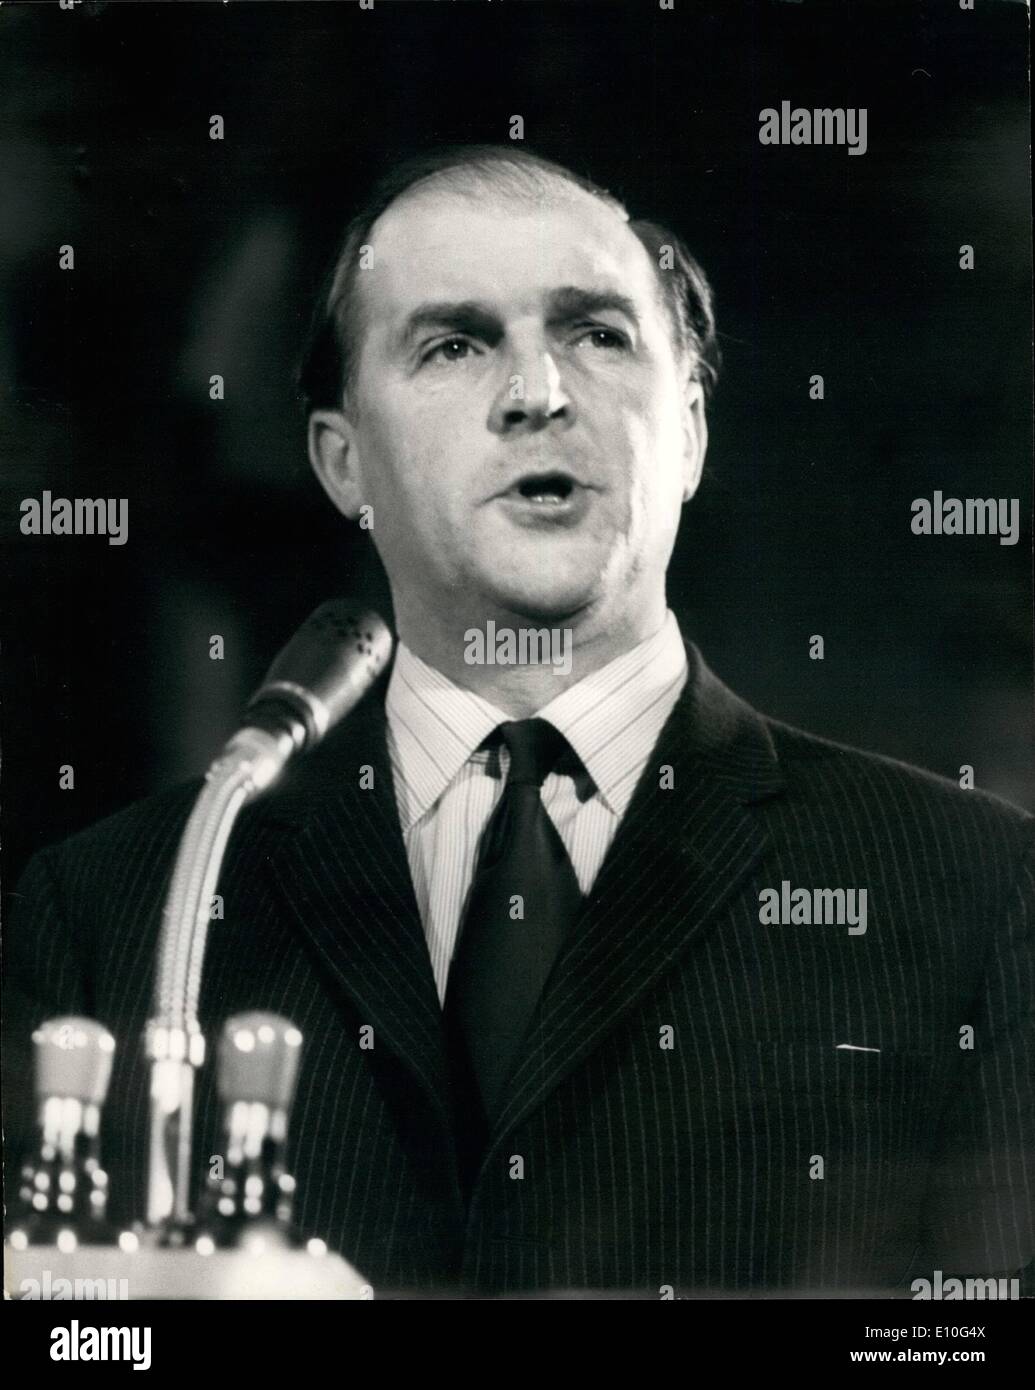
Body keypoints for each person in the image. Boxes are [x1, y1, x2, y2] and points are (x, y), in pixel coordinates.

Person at [5, 146, 1032, 1297]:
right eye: (454, 344)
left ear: (689, 432)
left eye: (598, 335)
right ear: (345, 464)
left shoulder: (977, 892)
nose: (539, 391)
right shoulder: (112, 912)